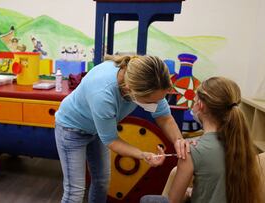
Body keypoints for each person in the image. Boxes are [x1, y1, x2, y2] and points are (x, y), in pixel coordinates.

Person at [55, 55, 189, 203]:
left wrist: (179, 140)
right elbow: (111, 140)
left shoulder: (149, 81)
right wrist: (143, 155)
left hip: (96, 129)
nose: (157, 103)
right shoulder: (103, 94)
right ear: (129, 89)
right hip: (71, 129)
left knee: (101, 182)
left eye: (160, 99)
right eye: (152, 101)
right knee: (75, 193)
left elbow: (164, 117)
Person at [141, 77, 263, 203]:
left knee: (146, 200)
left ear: (200, 105)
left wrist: (188, 192)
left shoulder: (191, 152)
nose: (192, 106)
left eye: (194, 101)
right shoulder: (242, 145)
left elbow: (173, 200)